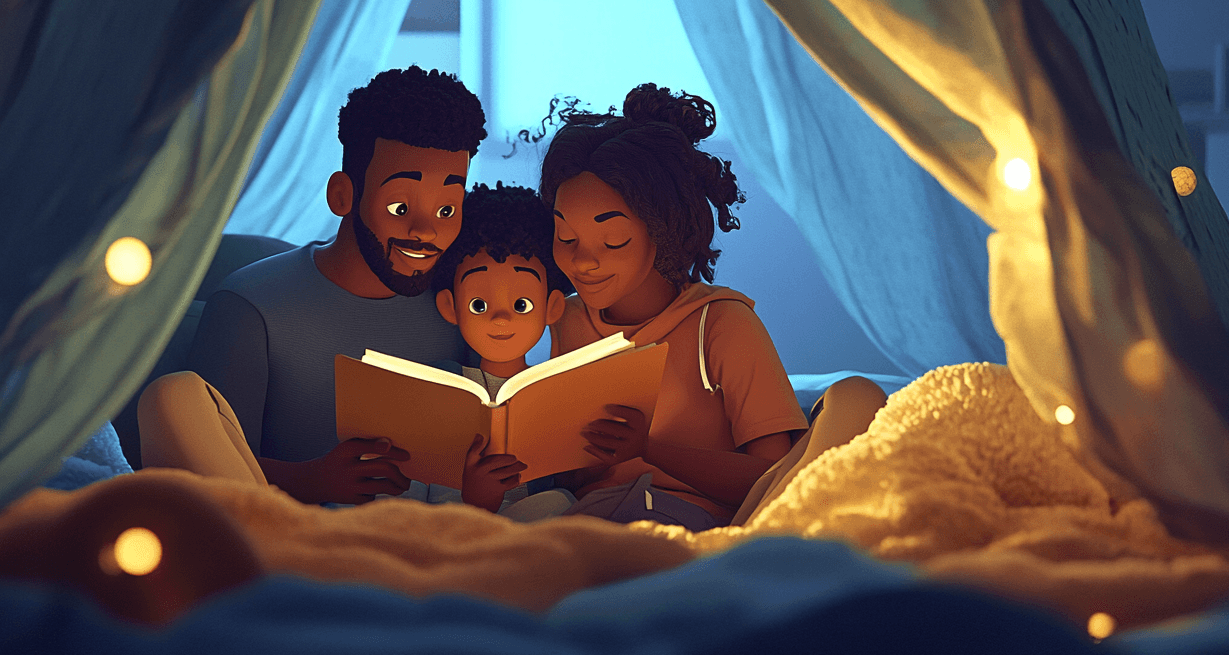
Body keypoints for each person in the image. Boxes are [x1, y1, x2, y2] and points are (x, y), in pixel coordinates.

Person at [539, 83, 887, 531]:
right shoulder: (566, 320)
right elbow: (569, 470)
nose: (584, 261)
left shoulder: (721, 324)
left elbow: (770, 479)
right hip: (590, 523)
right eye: (566, 238)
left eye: (613, 240)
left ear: (662, 230)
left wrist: (649, 449)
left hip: (694, 525)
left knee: (856, 397)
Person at [139, 66, 487, 505]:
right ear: (343, 195)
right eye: (400, 207)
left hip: (443, 535)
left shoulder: (463, 302)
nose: (425, 232)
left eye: (446, 211)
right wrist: (313, 479)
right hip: (291, 535)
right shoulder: (252, 308)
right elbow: (210, 459)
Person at [427, 182, 572, 513]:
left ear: (552, 307)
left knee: (559, 503)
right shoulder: (440, 383)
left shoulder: (557, 392)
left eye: (522, 304)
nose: (501, 317)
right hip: (449, 524)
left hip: (533, 522)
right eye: (479, 304)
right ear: (451, 306)